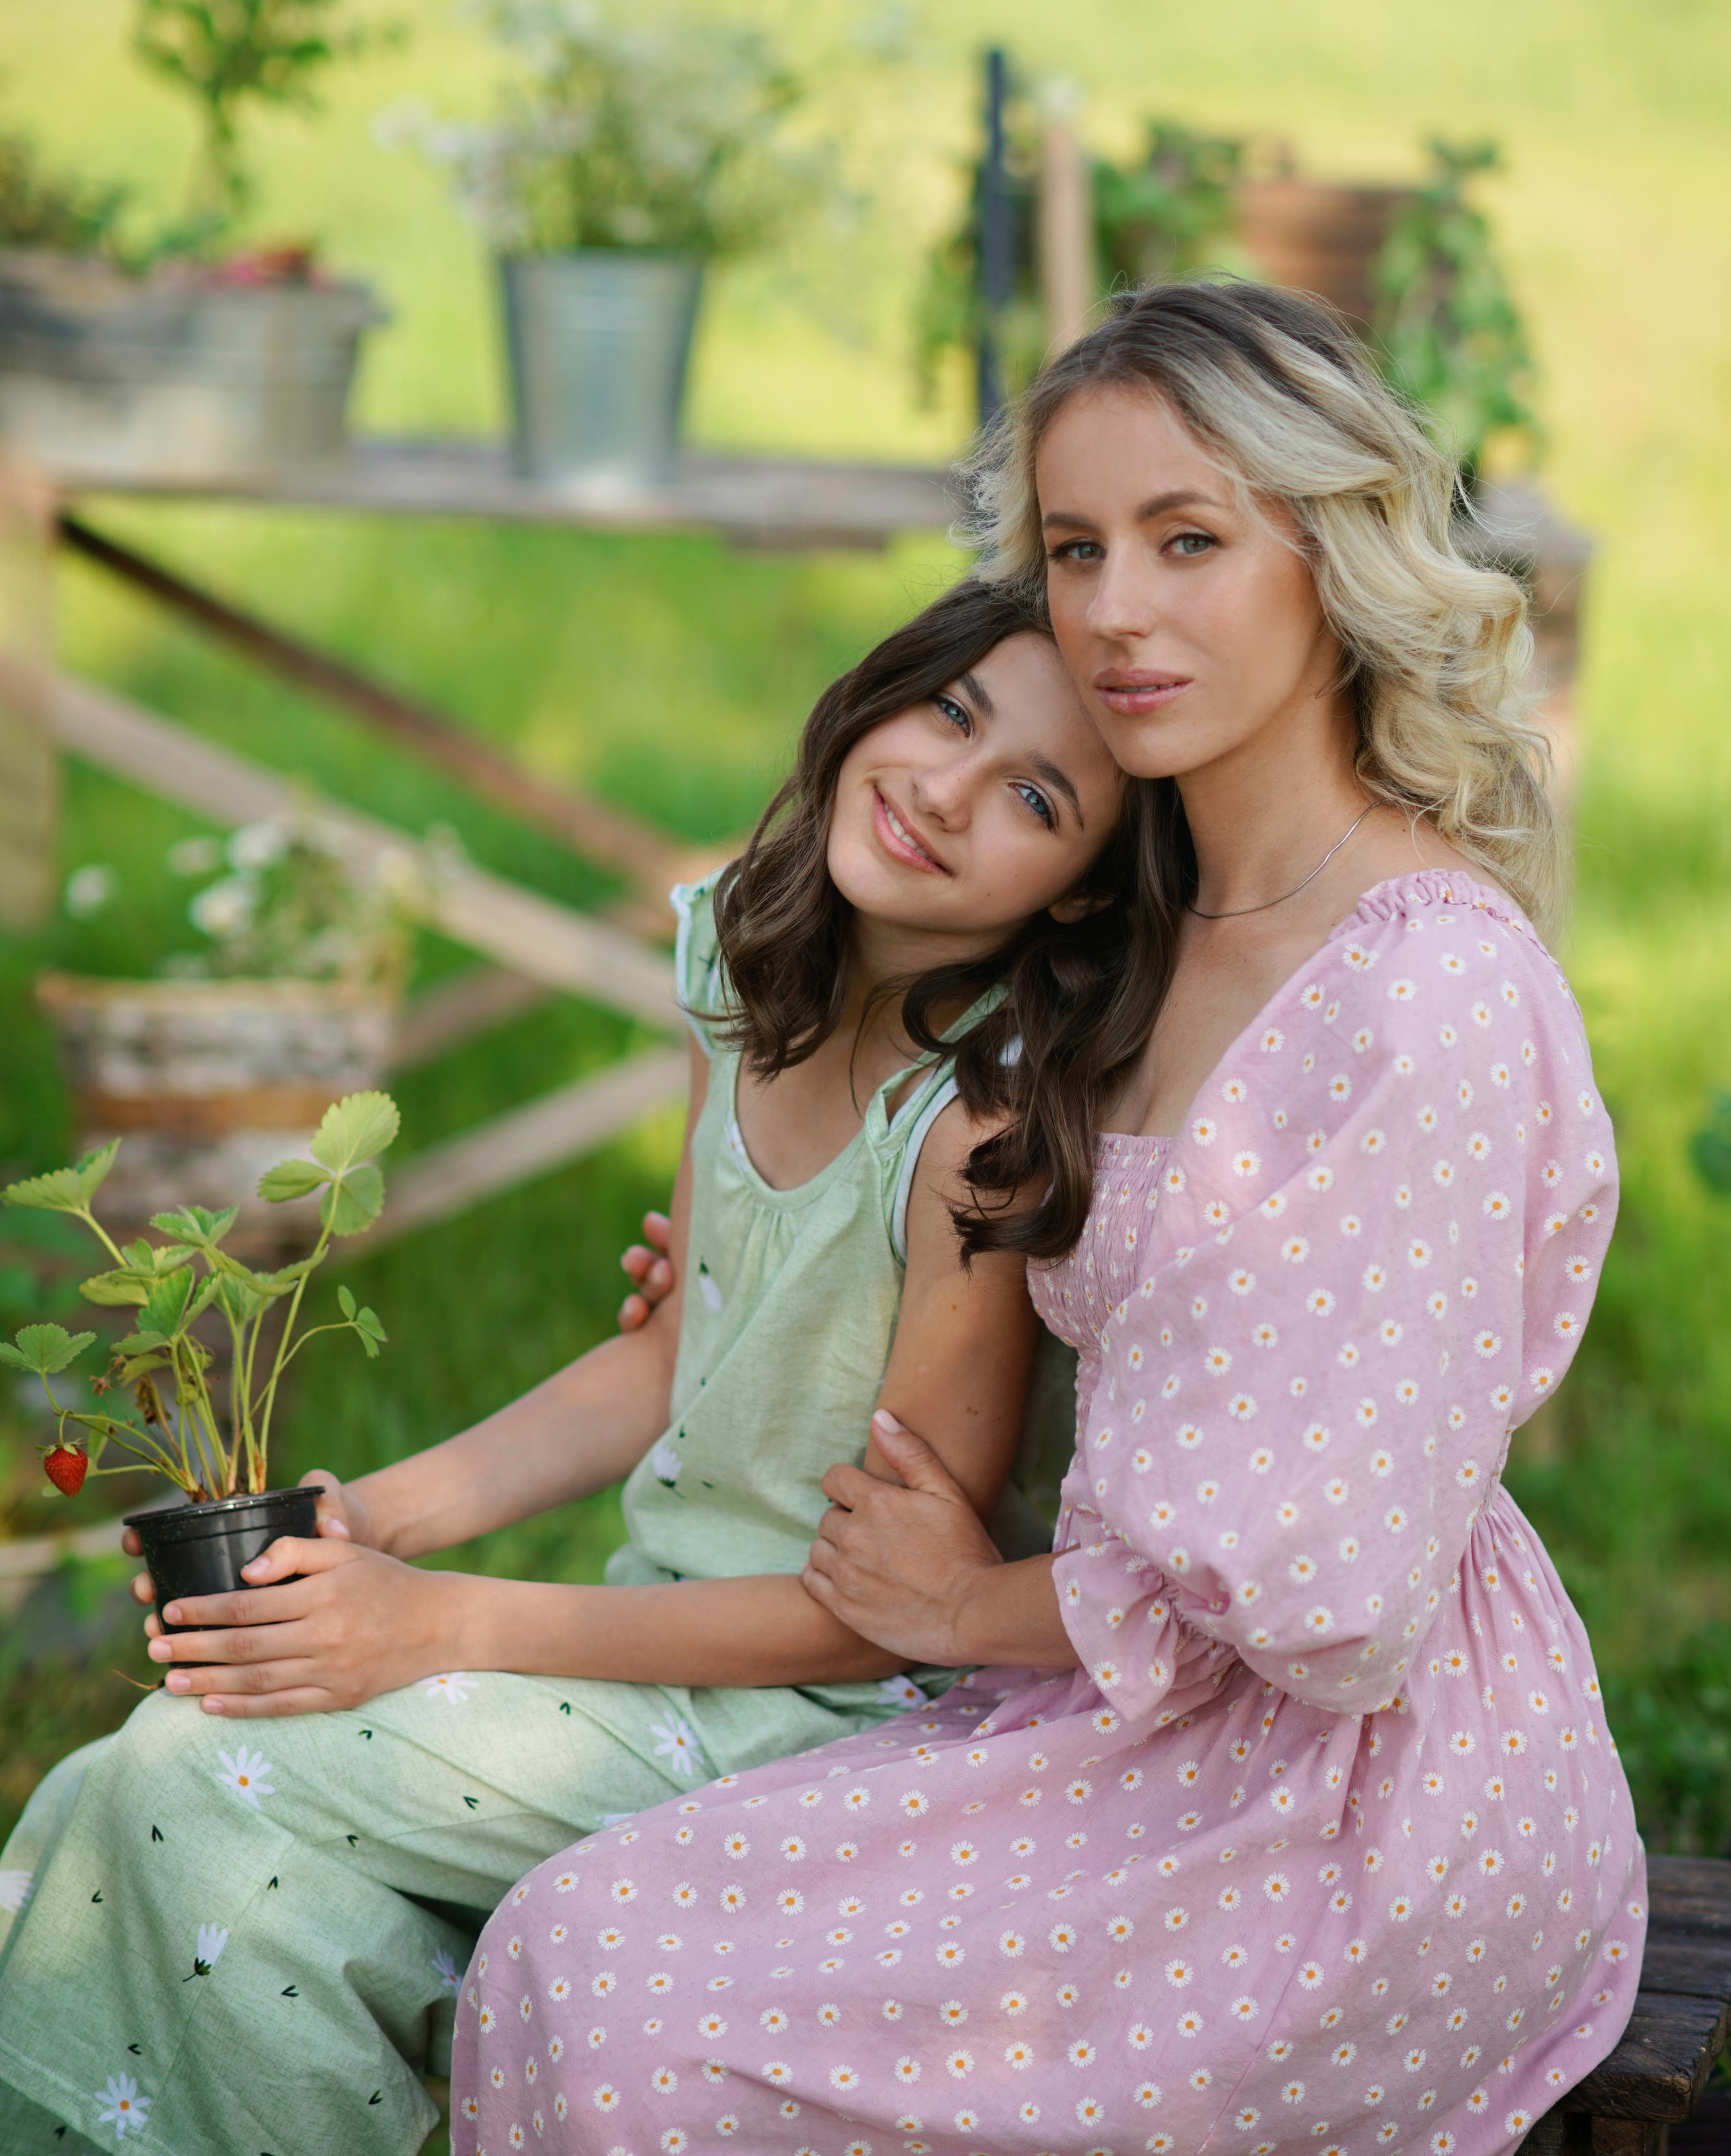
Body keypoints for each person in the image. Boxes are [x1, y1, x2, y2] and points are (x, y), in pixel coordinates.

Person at [454, 279, 1643, 2156]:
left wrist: (957, 1600)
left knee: (621, 1994)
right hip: (1102, 1694)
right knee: (571, 1937)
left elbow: (1328, 1602)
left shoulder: (1423, 996)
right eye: (1079, 548)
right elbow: (939, 1181)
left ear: (1330, 559)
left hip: (1350, 1808)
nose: (1114, 609)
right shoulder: (1135, 922)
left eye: (1190, 540)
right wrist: (777, 1262)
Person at [0, 575, 1166, 2156]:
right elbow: (671, 1352)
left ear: (1080, 894)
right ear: (880, 689)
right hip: (653, 1650)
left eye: (1033, 795)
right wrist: (370, 1525)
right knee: (196, 1846)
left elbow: (875, 1608)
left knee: (175, 1765)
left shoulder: (968, 1137)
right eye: (949, 711)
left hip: (809, 1723)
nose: (945, 789)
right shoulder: (745, 969)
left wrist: (438, 1624)